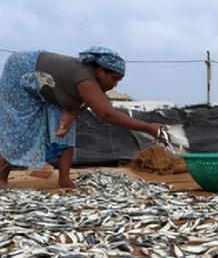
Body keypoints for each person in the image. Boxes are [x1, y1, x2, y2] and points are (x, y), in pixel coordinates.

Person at [0, 46, 164, 189]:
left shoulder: (89, 80)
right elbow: (106, 114)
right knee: (19, 128)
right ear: (101, 71)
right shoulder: (85, 79)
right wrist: (148, 127)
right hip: (22, 69)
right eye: (113, 79)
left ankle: (64, 179)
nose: (115, 85)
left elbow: (81, 102)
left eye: (118, 81)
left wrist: (70, 114)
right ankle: (1, 178)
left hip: (48, 83)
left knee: (66, 128)